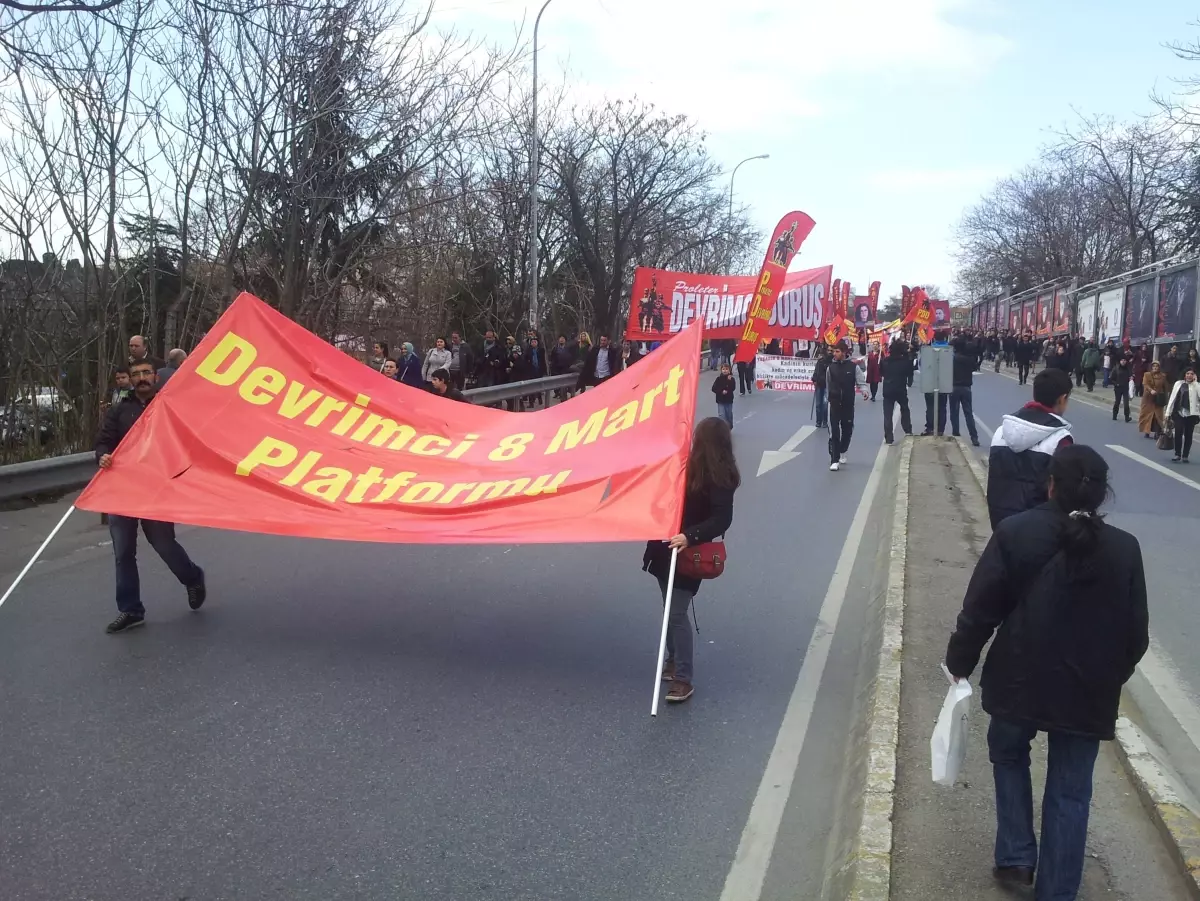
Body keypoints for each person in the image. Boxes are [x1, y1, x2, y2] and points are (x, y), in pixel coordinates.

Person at [945, 445, 1148, 901]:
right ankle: (1058, 892)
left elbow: (980, 610)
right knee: (1072, 792)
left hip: (1018, 681)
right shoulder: (1125, 549)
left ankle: (1016, 857)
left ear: (1050, 484)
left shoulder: (1016, 532)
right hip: (1087, 694)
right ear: (1101, 494)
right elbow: (1136, 637)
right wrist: (1106, 677)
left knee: (1008, 752)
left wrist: (960, 663)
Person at [94, 358, 207, 633]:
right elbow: (103, 442)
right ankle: (131, 609)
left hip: (157, 491)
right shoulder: (119, 411)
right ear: (130, 379)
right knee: (123, 553)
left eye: (146, 373)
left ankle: (193, 577)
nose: (142, 377)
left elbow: (188, 441)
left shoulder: (168, 407)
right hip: (123, 492)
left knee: (164, 545)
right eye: (136, 374)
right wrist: (103, 456)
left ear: (155, 377)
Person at [642, 417, 739, 704]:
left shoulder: (723, 476)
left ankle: (684, 678)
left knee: (676, 611)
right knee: (668, 606)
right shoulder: (684, 464)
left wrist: (690, 536)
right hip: (663, 547)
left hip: (687, 551)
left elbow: (722, 519)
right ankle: (672, 660)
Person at [986, 368, 1074, 528]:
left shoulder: (1002, 431)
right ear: (1063, 398)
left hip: (1001, 524)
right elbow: (1064, 492)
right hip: (1040, 529)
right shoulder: (1061, 439)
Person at [826, 341, 862, 472]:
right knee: (834, 431)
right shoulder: (831, 368)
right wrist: (828, 398)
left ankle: (843, 449)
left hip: (848, 403)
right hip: (834, 403)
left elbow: (860, 382)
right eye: (834, 351)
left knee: (847, 429)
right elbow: (828, 384)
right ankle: (834, 460)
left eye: (837, 351)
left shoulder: (853, 367)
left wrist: (864, 391)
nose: (835, 354)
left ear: (844, 352)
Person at [880, 338, 914, 445]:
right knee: (905, 409)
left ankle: (889, 437)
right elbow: (910, 373)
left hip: (888, 389)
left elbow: (882, 373)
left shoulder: (884, 361)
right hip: (900, 389)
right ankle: (907, 430)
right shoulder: (905, 362)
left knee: (887, 414)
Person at [950, 337, 981, 446]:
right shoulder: (969, 359)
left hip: (954, 387)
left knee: (954, 412)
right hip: (967, 388)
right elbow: (975, 367)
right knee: (968, 413)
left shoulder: (952, 359)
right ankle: (974, 437)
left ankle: (956, 434)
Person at [1165, 368, 1200, 462]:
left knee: (1188, 435)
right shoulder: (1178, 384)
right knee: (1178, 433)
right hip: (1179, 413)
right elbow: (1172, 398)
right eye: (1187, 373)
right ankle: (1177, 454)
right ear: (1184, 375)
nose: (1189, 375)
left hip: (1191, 414)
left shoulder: (1197, 385)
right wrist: (1168, 412)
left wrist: (1196, 383)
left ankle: (1185, 455)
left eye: (1191, 374)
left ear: (1194, 375)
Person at [1140, 360, 1167, 440]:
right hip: (1148, 398)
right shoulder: (1147, 374)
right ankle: (1146, 431)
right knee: (1147, 415)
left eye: (1157, 366)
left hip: (1158, 398)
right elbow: (1145, 384)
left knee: (1158, 416)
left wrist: (1166, 398)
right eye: (1154, 366)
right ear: (1151, 367)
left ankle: (1157, 432)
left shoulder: (1163, 376)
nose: (1155, 368)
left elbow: (1165, 388)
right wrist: (1151, 390)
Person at [1111, 353, 1133, 423]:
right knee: (1117, 402)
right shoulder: (1116, 368)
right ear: (1120, 361)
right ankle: (1114, 415)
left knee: (1126, 403)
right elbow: (1111, 378)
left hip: (1125, 388)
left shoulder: (1128, 369)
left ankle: (1127, 417)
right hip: (1118, 388)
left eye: (1124, 360)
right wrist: (1116, 384)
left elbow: (1131, 376)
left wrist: (1131, 378)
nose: (1123, 361)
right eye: (1122, 360)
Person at [712, 362, 735, 429]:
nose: (725, 370)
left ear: (729, 370)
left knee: (728, 415)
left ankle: (729, 426)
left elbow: (733, 388)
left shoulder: (731, 379)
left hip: (728, 400)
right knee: (722, 415)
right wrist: (721, 391)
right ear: (721, 370)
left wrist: (729, 382)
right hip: (720, 400)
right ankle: (723, 429)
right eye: (723, 369)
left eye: (726, 369)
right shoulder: (718, 379)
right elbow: (714, 388)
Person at [812, 344, 829, 428]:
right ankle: (818, 421)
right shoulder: (820, 361)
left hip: (827, 385)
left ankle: (825, 421)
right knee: (818, 404)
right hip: (819, 385)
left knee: (825, 404)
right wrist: (814, 379)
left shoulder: (831, 361)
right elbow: (816, 371)